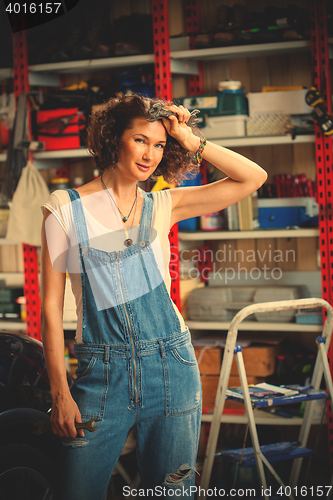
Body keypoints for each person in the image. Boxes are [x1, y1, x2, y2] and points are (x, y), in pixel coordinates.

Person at [40, 94, 267, 500]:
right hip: (101, 374)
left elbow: (253, 177)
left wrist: (188, 137)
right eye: (141, 140)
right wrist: (61, 392)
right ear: (114, 139)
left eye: (160, 145)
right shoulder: (65, 209)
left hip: (172, 367)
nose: (151, 155)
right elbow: (51, 311)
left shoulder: (163, 204)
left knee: (172, 494)